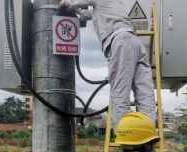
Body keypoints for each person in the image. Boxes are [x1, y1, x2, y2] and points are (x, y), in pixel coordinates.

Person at [59, 0, 157, 131]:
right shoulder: (108, 5)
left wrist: (67, 3)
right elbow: (90, 14)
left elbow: (78, 2)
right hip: (135, 43)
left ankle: (124, 133)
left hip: (120, 42)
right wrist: (78, 11)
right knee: (144, 92)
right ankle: (148, 130)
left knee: (119, 92)